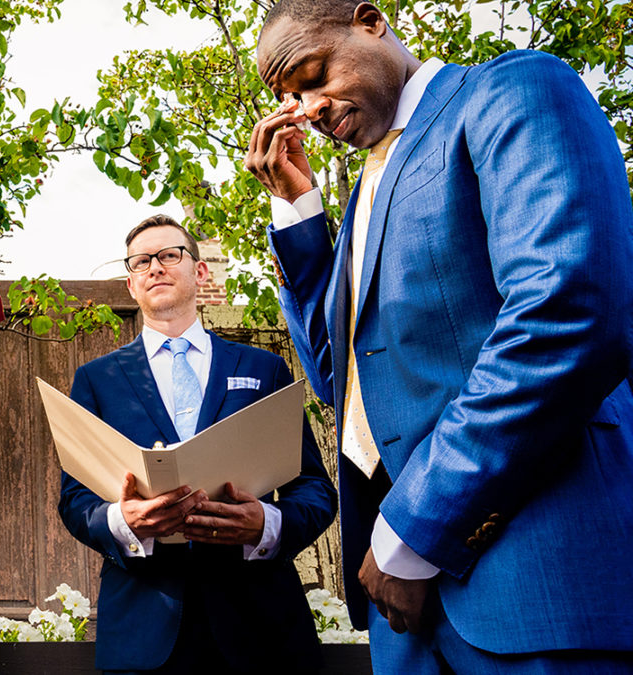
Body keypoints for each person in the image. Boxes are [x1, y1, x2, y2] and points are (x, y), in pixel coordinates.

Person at [246, 1, 633, 672]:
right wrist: (297, 206)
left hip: (536, 590)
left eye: (312, 76)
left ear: (370, 22)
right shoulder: (364, 185)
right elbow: (340, 378)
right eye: (287, 99)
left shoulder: (510, 90)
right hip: (408, 626)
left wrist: (412, 531)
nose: (304, 107)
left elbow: (567, 312)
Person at [57, 215, 337, 674]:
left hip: (261, 630)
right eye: (141, 261)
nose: (155, 268)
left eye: (170, 255)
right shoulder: (96, 380)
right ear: (131, 284)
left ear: (200, 272)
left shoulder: (263, 368)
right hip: (144, 633)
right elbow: (74, 499)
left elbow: (314, 488)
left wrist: (265, 525)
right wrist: (123, 522)